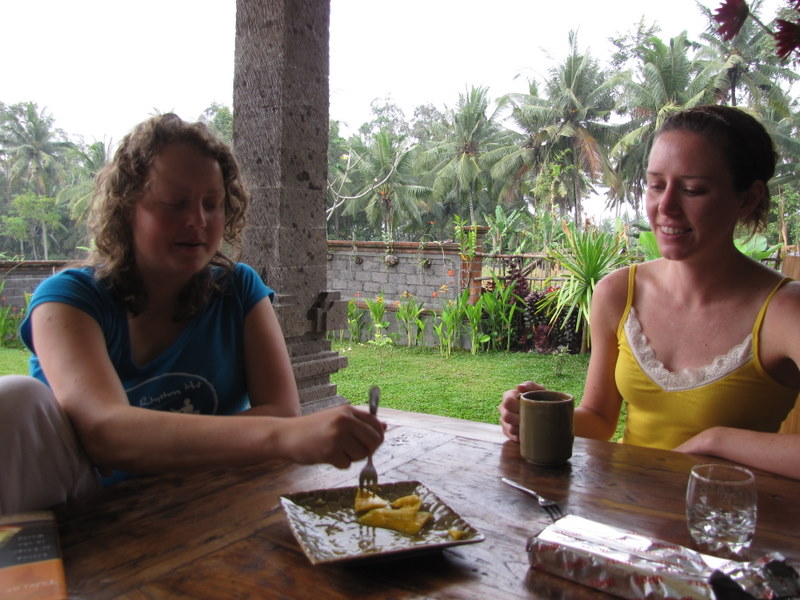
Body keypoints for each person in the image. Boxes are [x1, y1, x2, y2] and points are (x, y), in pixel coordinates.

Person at [0, 114, 384, 515]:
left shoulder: (239, 290)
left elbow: (281, 410)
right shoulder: (68, 299)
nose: (198, 221)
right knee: (12, 398)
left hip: (207, 493)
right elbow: (105, 432)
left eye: (212, 204)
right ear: (127, 208)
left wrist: (284, 428)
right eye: (174, 203)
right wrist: (282, 436)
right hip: (91, 503)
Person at [499, 105, 800, 480]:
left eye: (693, 190)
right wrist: (536, 418)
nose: (665, 207)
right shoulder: (618, 292)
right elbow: (599, 419)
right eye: (656, 185)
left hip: (722, 525)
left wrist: (717, 441)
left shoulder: (784, 311)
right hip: (626, 514)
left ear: (747, 199)